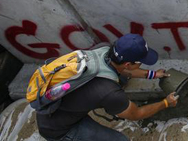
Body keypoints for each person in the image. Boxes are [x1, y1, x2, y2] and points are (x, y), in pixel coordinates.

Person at [36, 33, 179, 141]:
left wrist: (154, 75)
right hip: (58, 128)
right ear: (128, 64)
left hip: (62, 103)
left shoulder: (103, 49)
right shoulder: (110, 93)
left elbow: (126, 71)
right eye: (140, 62)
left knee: (122, 77)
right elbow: (137, 114)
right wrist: (166, 103)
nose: (141, 64)